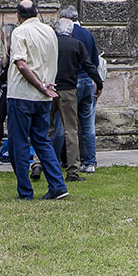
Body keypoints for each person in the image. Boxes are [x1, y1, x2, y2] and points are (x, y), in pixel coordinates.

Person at [5, 0, 66, 201]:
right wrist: (44, 86)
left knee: (19, 143)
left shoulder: (19, 32)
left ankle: (25, 191)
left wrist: (39, 84)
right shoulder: (50, 31)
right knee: (42, 140)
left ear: (18, 16)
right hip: (44, 95)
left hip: (22, 93)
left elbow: (21, 64)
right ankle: (57, 184)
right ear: (37, 12)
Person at [59, 5, 104, 174]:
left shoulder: (62, 36)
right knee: (88, 125)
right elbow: (94, 61)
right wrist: (98, 82)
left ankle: (62, 159)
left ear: (64, 18)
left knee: (64, 125)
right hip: (88, 81)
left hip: (70, 83)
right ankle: (90, 161)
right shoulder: (87, 34)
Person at [54, 16, 90, 183]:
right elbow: (89, 65)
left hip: (50, 88)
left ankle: (38, 164)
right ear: (70, 31)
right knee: (71, 130)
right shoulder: (76, 44)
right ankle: (72, 170)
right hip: (68, 89)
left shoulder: (52, 43)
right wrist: (98, 82)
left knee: (45, 129)